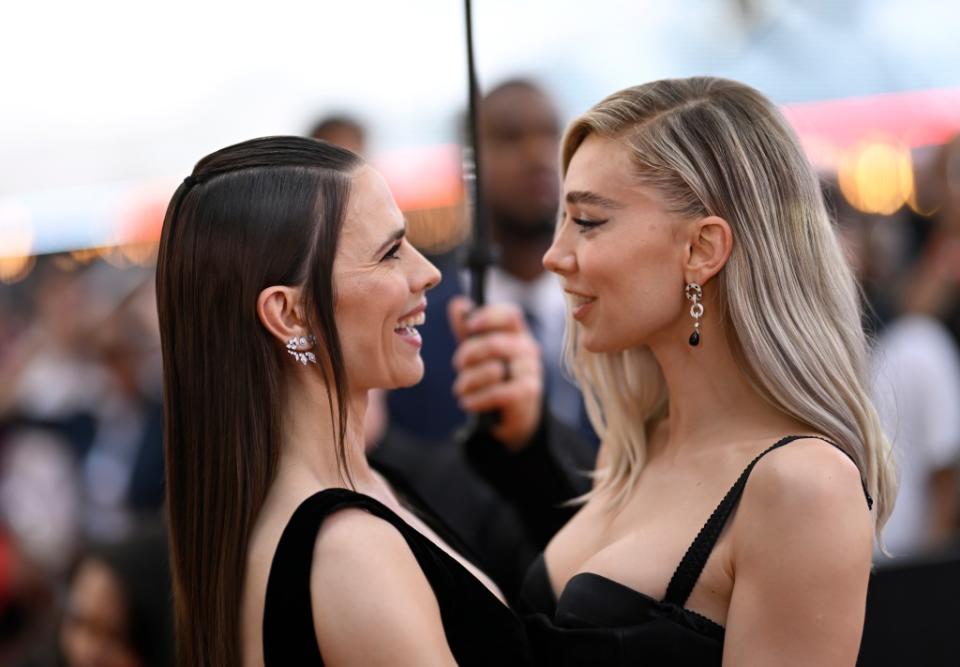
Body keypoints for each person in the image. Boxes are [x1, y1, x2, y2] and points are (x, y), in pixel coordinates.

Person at [516, 77, 896, 665]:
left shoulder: (803, 485)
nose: (554, 255)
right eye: (560, 221)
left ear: (701, 249)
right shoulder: (637, 443)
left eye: (588, 221)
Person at [155, 136, 535, 665]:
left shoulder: (361, 493)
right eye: (389, 253)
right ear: (290, 315)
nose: (428, 272)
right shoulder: (348, 552)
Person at [388, 79, 594, 442]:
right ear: (467, 160)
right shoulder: (416, 327)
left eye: (551, 135)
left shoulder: (612, 312)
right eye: (509, 137)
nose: (537, 155)